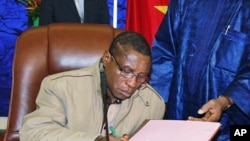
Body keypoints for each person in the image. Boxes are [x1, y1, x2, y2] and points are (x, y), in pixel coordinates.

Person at [19, 31, 165, 141]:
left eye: (141, 77)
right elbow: (34, 133)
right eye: (126, 71)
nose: (132, 84)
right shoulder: (60, 86)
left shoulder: (152, 103)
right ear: (107, 58)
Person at [150, 0, 250, 140]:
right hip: (178, 116)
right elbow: (164, 53)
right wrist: (159, 107)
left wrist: (224, 102)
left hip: (231, 125)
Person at [39, 0, 110, 25]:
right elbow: (45, 34)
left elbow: (105, 29)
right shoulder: (49, 1)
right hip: (62, 53)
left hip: (94, 52)